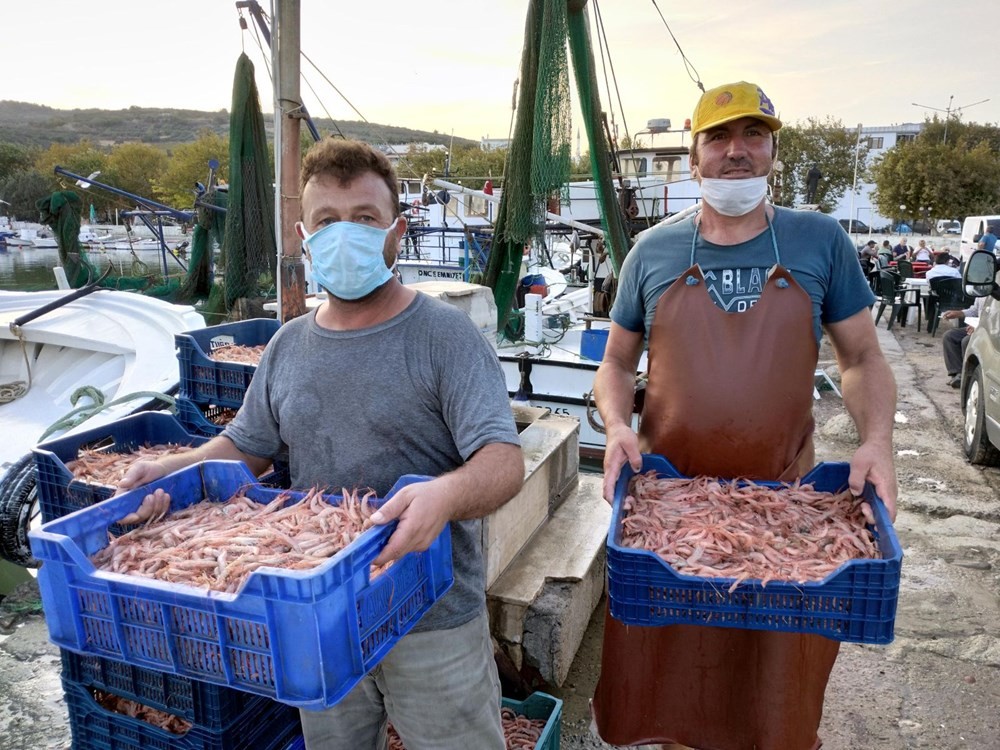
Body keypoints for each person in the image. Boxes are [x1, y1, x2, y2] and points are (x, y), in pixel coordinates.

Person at [116, 139, 525, 750]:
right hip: (317, 614)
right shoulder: (287, 346)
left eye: (364, 219)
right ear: (305, 238)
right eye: (328, 222)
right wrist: (172, 466)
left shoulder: (445, 336)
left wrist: (443, 496)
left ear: (397, 232)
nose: (345, 236)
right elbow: (245, 449)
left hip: (432, 614)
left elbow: (503, 462)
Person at [591, 80, 898, 750]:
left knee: (773, 692)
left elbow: (862, 359)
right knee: (673, 676)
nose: (737, 152)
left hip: (787, 511)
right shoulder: (653, 252)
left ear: (771, 151)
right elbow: (616, 364)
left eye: (753, 135)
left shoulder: (819, 242)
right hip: (667, 510)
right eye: (719, 138)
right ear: (693, 157)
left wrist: (877, 442)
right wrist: (617, 427)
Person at [942, 297, 984, 388]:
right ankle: (958, 374)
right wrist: (958, 313)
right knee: (949, 336)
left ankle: (969, 377)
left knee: (967, 341)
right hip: (977, 325)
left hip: (989, 328)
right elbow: (974, 310)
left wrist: (978, 325)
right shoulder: (982, 291)